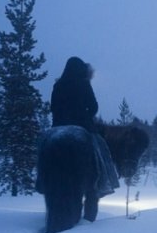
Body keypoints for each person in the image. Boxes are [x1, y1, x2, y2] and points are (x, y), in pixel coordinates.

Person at [50, 57, 119, 198]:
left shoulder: (57, 85)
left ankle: (43, 181)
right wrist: (84, 115)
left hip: (59, 127)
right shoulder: (84, 83)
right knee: (101, 151)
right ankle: (102, 183)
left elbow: (53, 108)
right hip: (82, 126)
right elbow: (93, 107)